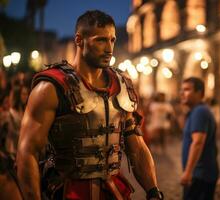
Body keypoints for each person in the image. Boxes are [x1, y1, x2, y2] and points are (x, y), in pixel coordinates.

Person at [17, 10, 163, 200]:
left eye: (112, 40)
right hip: (68, 192)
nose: (109, 48)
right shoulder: (51, 87)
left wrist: (153, 191)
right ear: (79, 40)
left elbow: (136, 146)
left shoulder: (121, 85)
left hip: (113, 191)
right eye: (100, 40)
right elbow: (27, 152)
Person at [180, 77, 218, 200]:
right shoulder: (196, 111)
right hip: (200, 174)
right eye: (182, 90)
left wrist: (188, 172)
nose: (182, 93)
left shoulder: (200, 111)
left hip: (200, 175)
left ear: (199, 92)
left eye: (187, 90)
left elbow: (198, 142)